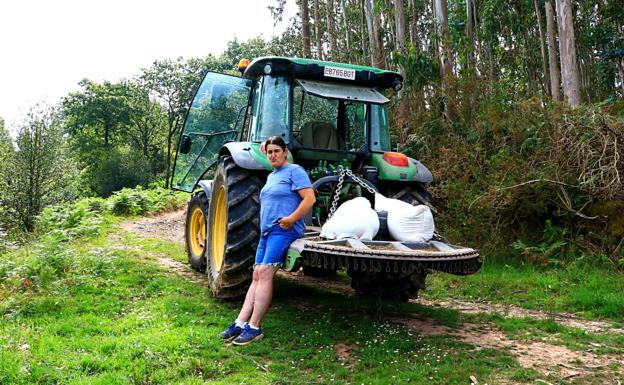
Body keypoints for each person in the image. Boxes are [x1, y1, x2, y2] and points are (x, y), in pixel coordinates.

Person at [220, 135, 316, 345]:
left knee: (264, 274)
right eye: (270, 152)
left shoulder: (295, 171)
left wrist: (291, 219)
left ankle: (255, 327)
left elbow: (310, 198)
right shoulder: (272, 176)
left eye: (276, 151)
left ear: (284, 152)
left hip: (284, 231)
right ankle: (240, 322)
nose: (273, 155)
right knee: (256, 274)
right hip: (267, 232)